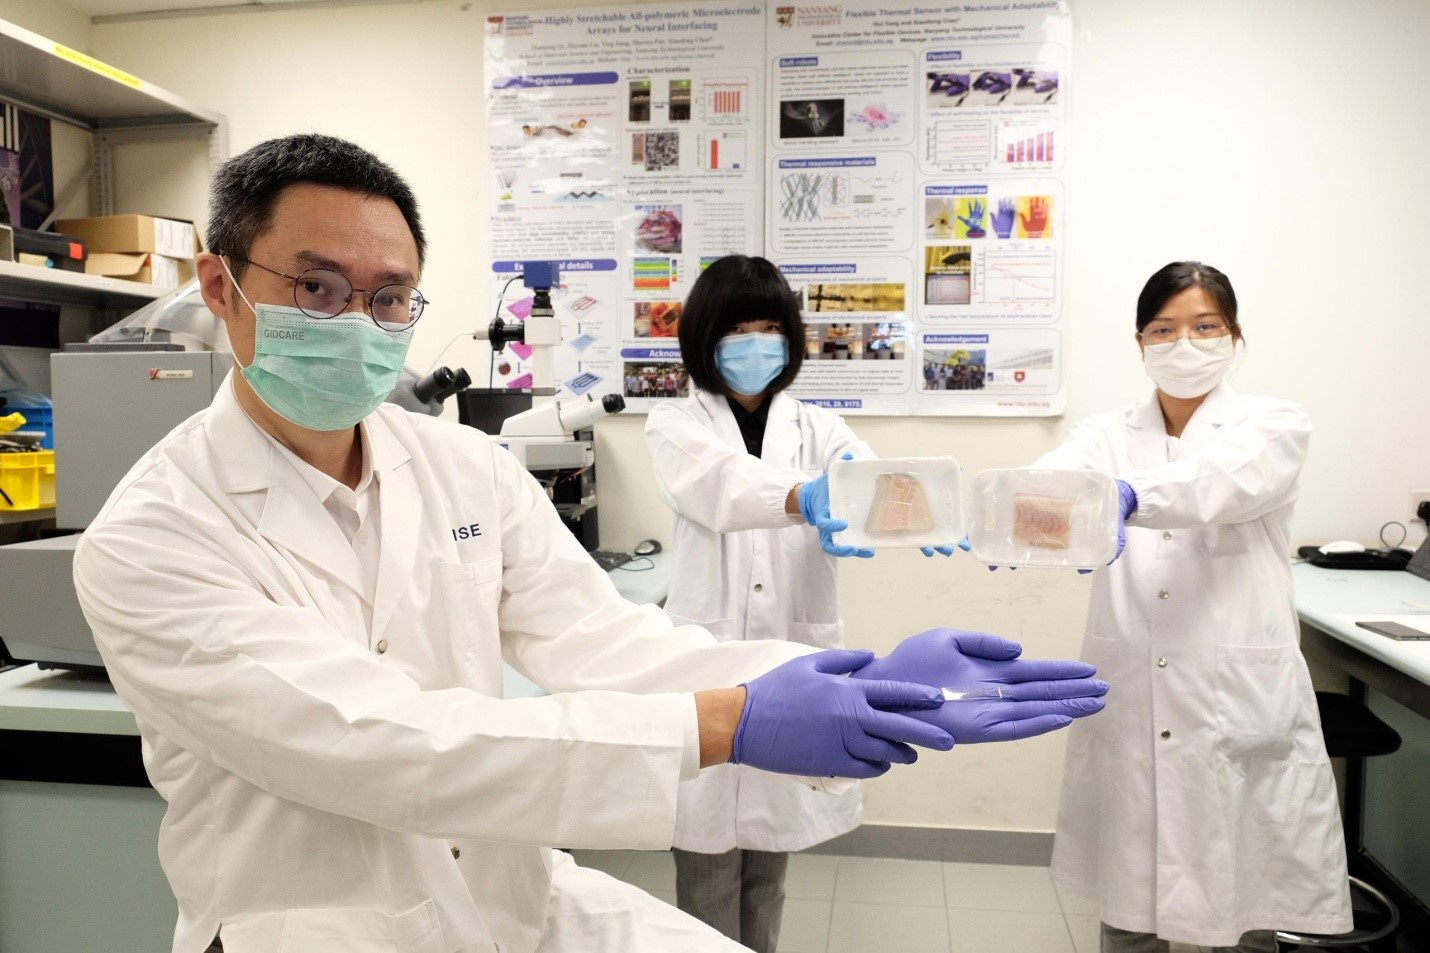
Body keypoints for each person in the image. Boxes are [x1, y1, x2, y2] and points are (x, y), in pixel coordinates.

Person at [72, 135, 1107, 953]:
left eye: (386, 297)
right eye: (317, 287)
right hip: (311, 929)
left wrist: (860, 682)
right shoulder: (153, 537)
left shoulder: (464, 468)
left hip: (511, 901)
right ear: (220, 287)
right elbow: (386, 741)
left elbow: (603, 641)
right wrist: (727, 722)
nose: (357, 322)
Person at [643, 255, 1102, 953]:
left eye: (770, 328)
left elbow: (873, 482)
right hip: (712, 656)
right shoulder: (676, 422)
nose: (756, 344)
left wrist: (935, 516)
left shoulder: (819, 427)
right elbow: (716, 484)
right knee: (704, 866)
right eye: (738, 329)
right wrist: (803, 497)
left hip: (792, 653)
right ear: (703, 336)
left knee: (770, 862)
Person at [1037, 262, 1351, 951]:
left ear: (1234, 335)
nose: (1184, 344)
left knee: (1245, 902)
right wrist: (1016, 511)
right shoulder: (1106, 433)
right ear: (1140, 342)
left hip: (1234, 693)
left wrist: (1123, 496)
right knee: (1128, 905)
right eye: (1164, 329)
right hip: (1135, 690)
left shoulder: (1273, 424)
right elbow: (1053, 482)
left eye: (1205, 326)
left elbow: (1219, 482)